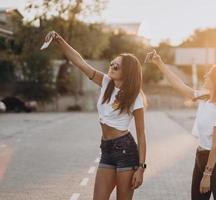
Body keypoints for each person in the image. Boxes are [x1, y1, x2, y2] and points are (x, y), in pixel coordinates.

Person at [44, 31, 147, 200]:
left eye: (116, 66)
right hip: (106, 149)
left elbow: (141, 134)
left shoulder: (135, 97)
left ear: (127, 72)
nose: (111, 67)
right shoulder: (106, 82)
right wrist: (59, 39)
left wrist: (141, 167)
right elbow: (79, 62)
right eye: (111, 64)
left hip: (126, 151)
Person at [146, 50, 216, 200]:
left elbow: (215, 147)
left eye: (209, 74)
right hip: (200, 157)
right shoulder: (204, 98)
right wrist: (160, 64)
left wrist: (207, 175)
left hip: (215, 163)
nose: (205, 76)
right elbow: (179, 85)